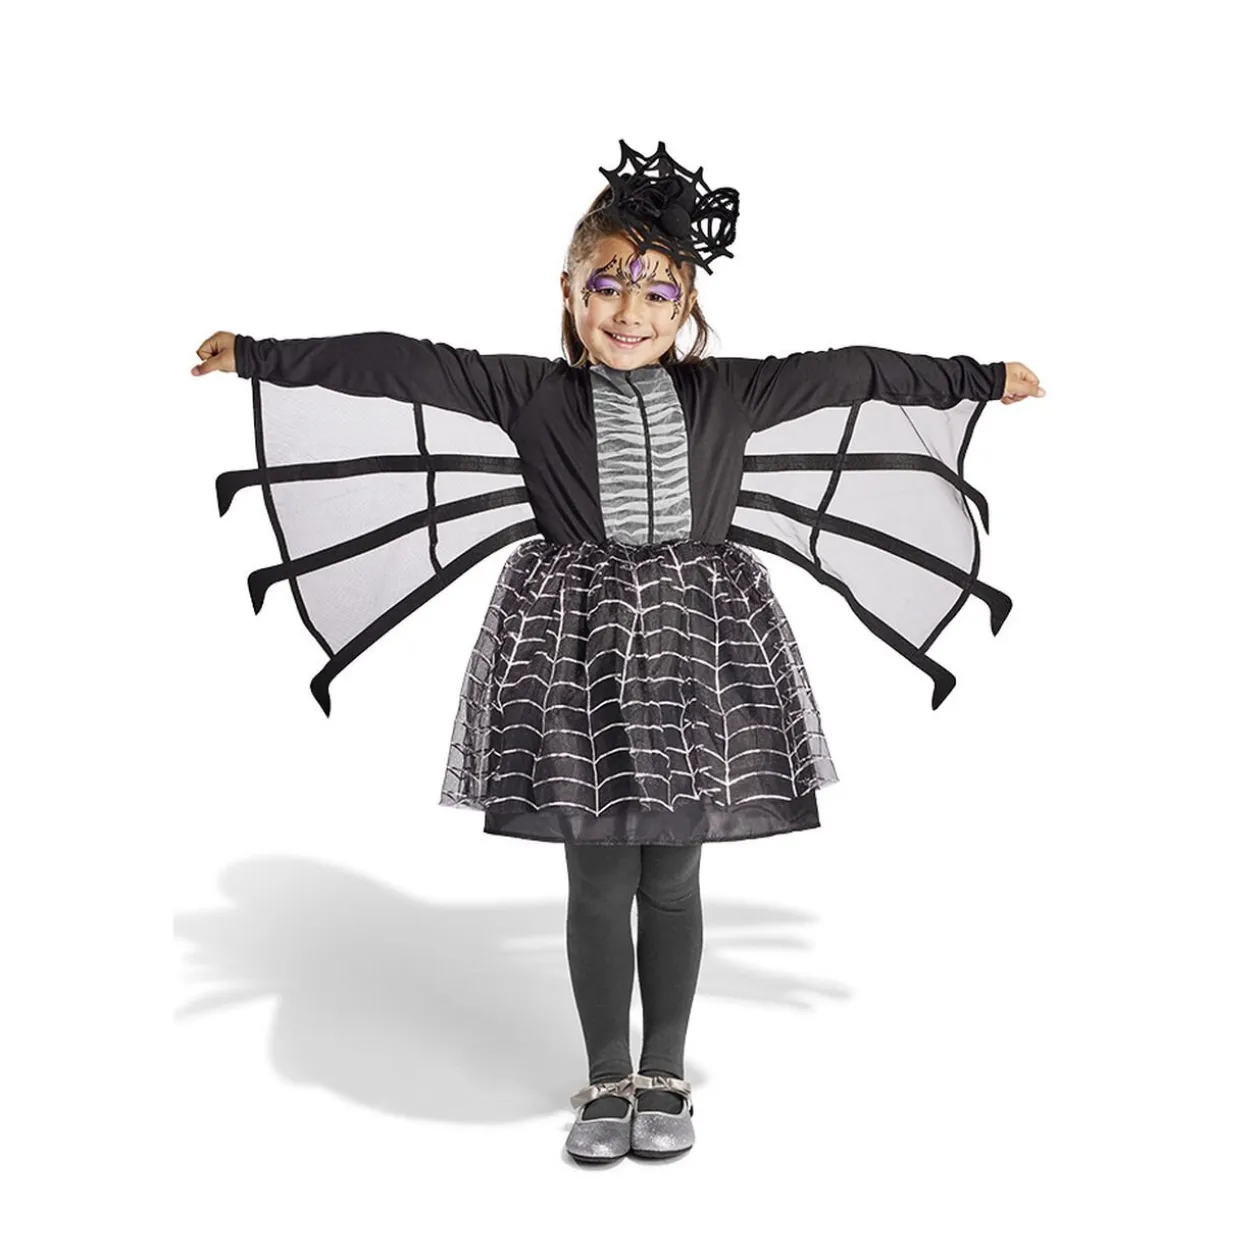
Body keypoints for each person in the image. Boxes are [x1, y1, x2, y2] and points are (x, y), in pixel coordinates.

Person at [191, 139, 1045, 1165]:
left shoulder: (732, 395)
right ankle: (606, 1077)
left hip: (698, 653)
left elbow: (855, 372)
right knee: (599, 880)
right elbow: (399, 362)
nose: (629, 312)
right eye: (607, 286)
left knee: (673, 877)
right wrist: (262, 355)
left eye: (656, 292)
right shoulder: (528, 394)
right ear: (568, 291)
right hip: (575, 652)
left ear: (686, 307)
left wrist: (977, 379)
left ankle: (665, 1073)